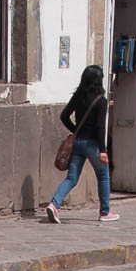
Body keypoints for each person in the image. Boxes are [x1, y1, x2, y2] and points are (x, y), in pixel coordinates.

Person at [46, 65, 118, 223]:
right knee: (103, 176)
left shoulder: (78, 96)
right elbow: (100, 128)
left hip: (78, 143)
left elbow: (64, 116)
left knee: (71, 178)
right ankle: (105, 212)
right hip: (92, 144)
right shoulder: (101, 101)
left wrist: (76, 130)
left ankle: (54, 204)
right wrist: (103, 150)